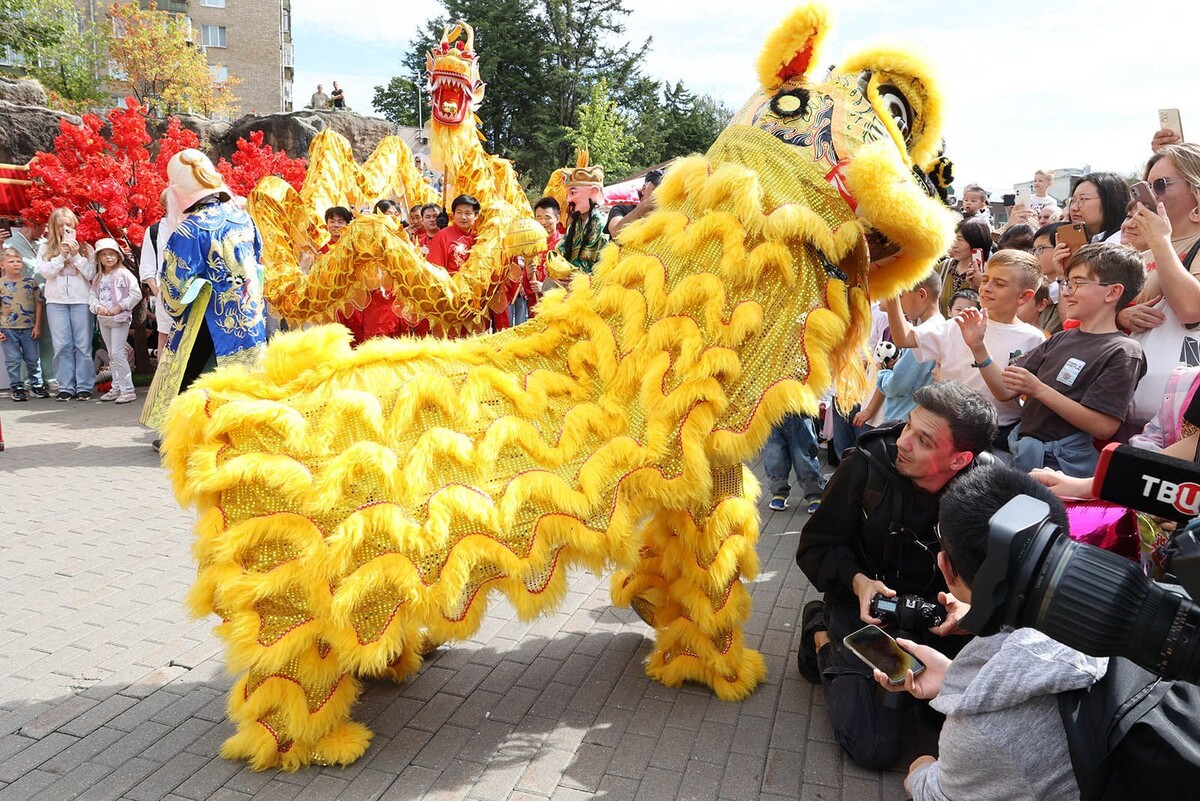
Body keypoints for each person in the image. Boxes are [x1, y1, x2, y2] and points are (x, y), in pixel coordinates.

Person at [796, 381, 996, 770]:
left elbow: (1007, 585)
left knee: (951, 740)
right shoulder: (865, 467)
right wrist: (858, 582)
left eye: (923, 440)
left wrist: (969, 613)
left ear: (960, 459)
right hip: (867, 613)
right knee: (876, 747)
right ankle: (820, 630)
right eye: (907, 427)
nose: (903, 442)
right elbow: (815, 546)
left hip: (940, 626)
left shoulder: (988, 491)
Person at [878, 463, 1107, 801]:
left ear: (946, 568)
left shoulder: (980, 733)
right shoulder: (1120, 616)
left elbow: (937, 793)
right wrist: (954, 676)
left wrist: (920, 769)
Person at [962, 243, 1146, 476]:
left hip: (1063, 466)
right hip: (1023, 453)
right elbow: (1004, 390)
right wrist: (978, 347)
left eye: (1078, 282)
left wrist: (1038, 389)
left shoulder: (1123, 351)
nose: (1067, 291)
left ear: (1112, 292)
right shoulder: (1061, 338)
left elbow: (1103, 426)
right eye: (1067, 282)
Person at [141, 149, 267, 435]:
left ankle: (176, 434)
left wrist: (171, 305)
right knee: (248, 376)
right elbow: (257, 256)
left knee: (186, 374)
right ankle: (248, 430)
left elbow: (174, 288)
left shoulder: (190, 229)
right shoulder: (244, 219)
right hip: (248, 314)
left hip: (206, 316)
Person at [890, 249, 1046, 449]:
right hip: (945, 425)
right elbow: (904, 338)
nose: (987, 288)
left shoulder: (1032, 338)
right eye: (985, 280)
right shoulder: (957, 323)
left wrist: (977, 347)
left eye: (999, 284)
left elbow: (1005, 392)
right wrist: (892, 293)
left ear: (1024, 296)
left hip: (995, 434)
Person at [1120, 143, 1200, 429]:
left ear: (1196, 188)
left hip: (1184, 418)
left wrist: (1160, 242)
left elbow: (1191, 309)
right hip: (1125, 407)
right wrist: (1121, 317)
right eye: (1147, 186)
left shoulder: (1163, 244)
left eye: (1161, 185)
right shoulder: (1145, 251)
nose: (1152, 195)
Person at [36, 207, 96, 401]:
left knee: (83, 345)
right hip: (56, 301)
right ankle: (65, 386)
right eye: (60, 225)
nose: (64, 229)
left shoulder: (86, 247)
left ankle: (84, 386)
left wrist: (77, 256)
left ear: (75, 225)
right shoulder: (45, 247)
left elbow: (91, 274)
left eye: (68, 225)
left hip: (80, 300)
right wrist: (61, 256)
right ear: (54, 227)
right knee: (61, 345)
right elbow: (45, 273)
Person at [876, 270, 944, 424]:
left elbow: (897, 385)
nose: (899, 302)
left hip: (904, 418)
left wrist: (882, 373)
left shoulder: (926, 333)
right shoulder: (934, 327)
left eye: (901, 296)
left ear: (921, 295)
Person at [89, 238, 142, 404]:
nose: (108, 257)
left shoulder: (124, 274)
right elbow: (92, 296)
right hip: (104, 318)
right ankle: (117, 387)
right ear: (99, 258)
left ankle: (128, 389)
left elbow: (136, 294)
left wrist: (120, 306)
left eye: (112, 254)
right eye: (104, 254)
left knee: (118, 353)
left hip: (120, 318)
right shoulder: (98, 277)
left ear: (118, 256)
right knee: (112, 354)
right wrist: (97, 307)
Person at [0, 246, 46, 400]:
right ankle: (17, 387)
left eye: (18, 261)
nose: (15, 264)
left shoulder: (31, 283)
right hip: (7, 329)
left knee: (33, 359)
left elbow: (39, 303)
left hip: (29, 328)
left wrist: (37, 325)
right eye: (11, 261)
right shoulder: (0, 284)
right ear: (2, 265)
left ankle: (36, 385)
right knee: (13, 360)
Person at [764, 414, 827, 513]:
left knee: (803, 457)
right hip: (772, 413)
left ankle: (814, 493)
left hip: (799, 413)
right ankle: (778, 491)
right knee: (775, 456)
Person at [139, 191, 173, 355]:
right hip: (164, 294)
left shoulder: (192, 226)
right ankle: (163, 380)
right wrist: (159, 293)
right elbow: (147, 268)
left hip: (192, 295)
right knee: (165, 339)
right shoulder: (154, 231)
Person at [558, 163, 607, 273]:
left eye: (573, 193)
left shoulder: (603, 227)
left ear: (594, 192)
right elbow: (560, 251)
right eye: (568, 195)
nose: (568, 200)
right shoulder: (574, 226)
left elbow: (603, 267)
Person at [937, 217, 992, 315]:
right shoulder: (943, 267)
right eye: (953, 239)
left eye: (960, 240)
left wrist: (981, 285)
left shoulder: (990, 273)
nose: (954, 245)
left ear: (976, 242)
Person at [1068, 171, 1129, 244]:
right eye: (1073, 200)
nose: (1074, 208)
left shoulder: (1118, 244)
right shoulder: (1081, 241)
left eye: (1083, 199)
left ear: (1110, 201)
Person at [606, 168, 663, 239]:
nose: (659, 194)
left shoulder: (664, 215)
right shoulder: (621, 208)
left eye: (663, 191)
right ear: (643, 189)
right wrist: (645, 207)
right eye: (656, 189)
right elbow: (615, 233)